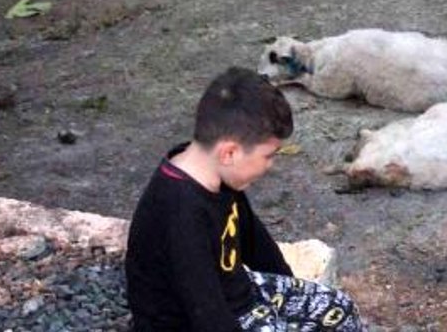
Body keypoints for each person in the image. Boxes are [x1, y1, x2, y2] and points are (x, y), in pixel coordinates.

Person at [125, 67, 365, 331]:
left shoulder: (218, 175)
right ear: (229, 153)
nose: (271, 165)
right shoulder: (180, 214)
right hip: (194, 321)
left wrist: (294, 296)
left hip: (241, 296)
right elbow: (207, 314)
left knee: (339, 308)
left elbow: (254, 241)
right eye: (269, 155)